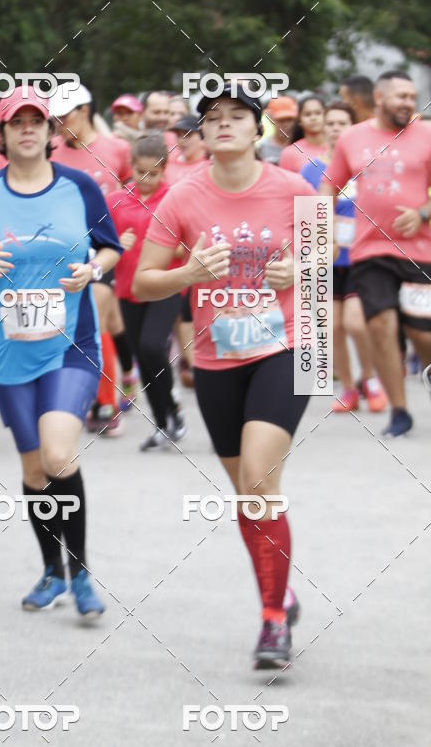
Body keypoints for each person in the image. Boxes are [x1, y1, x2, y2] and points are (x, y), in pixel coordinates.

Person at [134, 83, 315, 668]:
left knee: (260, 478)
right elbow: (143, 282)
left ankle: (270, 624)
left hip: (285, 349)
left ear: (258, 129)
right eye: (213, 118)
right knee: (250, 494)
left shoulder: (293, 188)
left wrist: (298, 273)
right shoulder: (182, 198)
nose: (225, 124)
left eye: (239, 116)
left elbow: (323, 267)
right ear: (202, 134)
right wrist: (188, 273)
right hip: (215, 361)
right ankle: (280, 592)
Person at [0, 86, 122, 617]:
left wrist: (93, 270)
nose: (28, 129)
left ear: (53, 133)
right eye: (17, 122)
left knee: (59, 456)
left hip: (71, 343)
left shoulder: (79, 186)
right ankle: (51, 571)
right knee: (34, 472)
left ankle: (79, 574)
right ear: (2, 134)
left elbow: (108, 248)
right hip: (10, 349)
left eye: (38, 121)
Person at [320, 71, 431, 436]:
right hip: (369, 251)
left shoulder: (426, 134)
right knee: (380, 325)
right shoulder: (352, 138)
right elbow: (328, 186)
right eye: (400, 96)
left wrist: (422, 214)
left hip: (419, 251)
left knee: (422, 335)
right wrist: (323, 231)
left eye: (412, 96)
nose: (408, 102)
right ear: (379, 98)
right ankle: (399, 411)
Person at [50, 83, 135, 435]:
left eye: (64, 116)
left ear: (84, 111)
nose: (57, 124)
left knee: (97, 321)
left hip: (104, 249)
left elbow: (133, 190)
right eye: (53, 119)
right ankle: (125, 372)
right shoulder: (49, 152)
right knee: (102, 324)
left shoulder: (117, 149)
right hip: (61, 252)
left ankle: (105, 404)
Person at [301, 101, 387, 413]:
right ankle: (349, 388)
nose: (336, 128)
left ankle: (371, 378)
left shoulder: (365, 164)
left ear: (352, 127)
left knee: (356, 323)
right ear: (322, 128)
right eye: (331, 122)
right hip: (325, 259)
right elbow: (304, 215)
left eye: (342, 123)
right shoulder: (310, 170)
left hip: (361, 257)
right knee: (331, 327)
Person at [107, 133, 187, 450]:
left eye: (154, 173)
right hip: (129, 289)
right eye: (141, 172)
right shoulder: (116, 200)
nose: (146, 179)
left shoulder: (175, 198)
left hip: (165, 285)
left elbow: (191, 240)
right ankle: (165, 422)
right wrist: (116, 245)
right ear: (131, 167)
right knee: (143, 354)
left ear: (164, 170)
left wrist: (179, 250)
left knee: (153, 346)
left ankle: (172, 409)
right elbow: (100, 243)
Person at [164, 114, 210, 388]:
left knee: (199, 306)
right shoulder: (168, 166)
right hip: (171, 247)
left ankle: (197, 361)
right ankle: (190, 361)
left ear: (201, 137)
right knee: (180, 310)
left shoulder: (209, 166)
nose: (182, 140)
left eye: (188, 135)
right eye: (179, 134)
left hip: (201, 245)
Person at [279, 95, 328, 173]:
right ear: (299, 120)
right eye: (307, 114)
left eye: (318, 113)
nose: (313, 118)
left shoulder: (337, 148)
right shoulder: (289, 153)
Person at [257, 96, 299, 165]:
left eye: (289, 119)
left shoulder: (302, 146)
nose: (286, 124)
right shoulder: (260, 149)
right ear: (271, 119)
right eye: (281, 120)